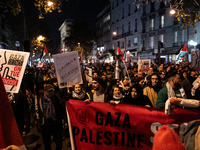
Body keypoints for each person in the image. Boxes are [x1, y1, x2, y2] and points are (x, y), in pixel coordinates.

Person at [38, 84, 65, 150]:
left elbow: (63, 106)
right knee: (47, 145)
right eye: (48, 91)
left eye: (52, 91)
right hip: (46, 125)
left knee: (59, 144)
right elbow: (35, 110)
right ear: (45, 92)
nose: (50, 93)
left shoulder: (57, 99)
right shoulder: (40, 100)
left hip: (56, 124)